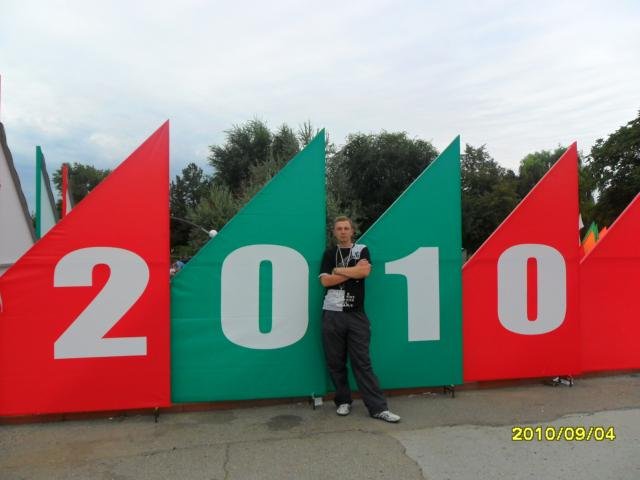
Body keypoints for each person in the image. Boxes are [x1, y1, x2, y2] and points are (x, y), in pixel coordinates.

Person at [318, 216, 400, 423]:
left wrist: (339, 270)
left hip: (356, 315)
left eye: (346, 228)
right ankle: (343, 401)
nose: (343, 231)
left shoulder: (362, 250)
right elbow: (326, 282)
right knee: (335, 362)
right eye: (339, 228)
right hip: (332, 314)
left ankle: (378, 408)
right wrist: (353, 272)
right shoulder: (329, 254)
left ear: (352, 231)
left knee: (362, 362)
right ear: (334, 232)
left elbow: (364, 271)